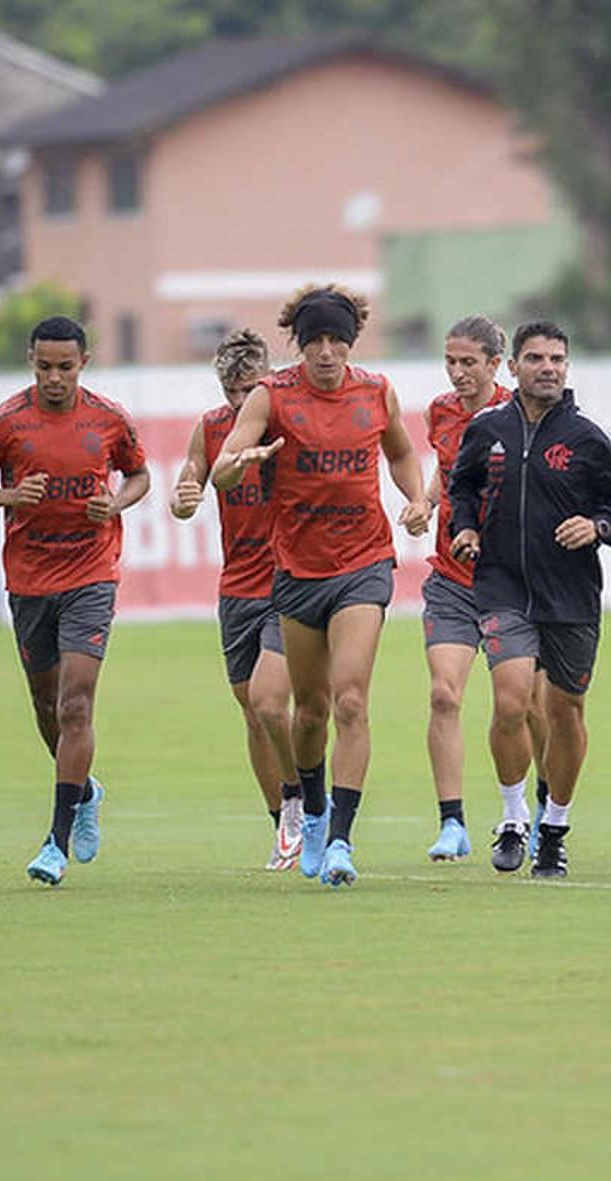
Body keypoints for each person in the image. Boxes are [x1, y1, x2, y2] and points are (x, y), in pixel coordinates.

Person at [211, 284, 433, 889]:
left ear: (351, 342)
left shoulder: (375, 391)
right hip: (298, 573)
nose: (327, 353)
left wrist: (416, 499)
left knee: (351, 699)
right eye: (316, 342)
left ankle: (340, 839)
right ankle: (311, 811)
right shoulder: (271, 396)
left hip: (364, 564)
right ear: (300, 345)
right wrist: (244, 463)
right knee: (307, 713)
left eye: (337, 341)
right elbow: (222, 465)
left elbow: (403, 452)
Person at [0, 316, 151, 886]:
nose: (54, 377)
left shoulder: (109, 420)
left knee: (75, 705)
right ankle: (85, 793)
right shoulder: (7, 422)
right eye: (44, 367)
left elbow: (139, 477)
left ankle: (55, 843)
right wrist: (10, 495)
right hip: (30, 580)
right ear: (31, 361)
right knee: (46, 707)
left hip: (91, 574)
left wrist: (115, 506)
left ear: (83, 363)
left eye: (65, 367)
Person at [449, 321, 611, 879]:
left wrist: (599, 524)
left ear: (568, 366)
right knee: (512, 701)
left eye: (557, 359)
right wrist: (463, 530)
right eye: (535, 358)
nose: (548, 368)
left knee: (565, 714)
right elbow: (461, 488)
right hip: (501, 587)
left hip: (571, 594)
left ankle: (553, 829)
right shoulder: (486, 429)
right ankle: (513, 819)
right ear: (512, 367)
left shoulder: (592, 436)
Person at [168, 329, 302, 870]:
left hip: (288, 580)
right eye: (231, 393)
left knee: (272, 700)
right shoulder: (212, 429)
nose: (241, 402)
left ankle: (303, 800)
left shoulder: (292, 423)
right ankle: (283, 826)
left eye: (250, 389)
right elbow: (187, 493)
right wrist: (183, 497)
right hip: (237, 587)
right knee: (253, 710)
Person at [419, 315, 522, 863]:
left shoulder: (517, 413)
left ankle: (516, 813)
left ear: (494, 364)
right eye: (450, 362)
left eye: (468, 363)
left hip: (509, 582)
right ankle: (452, 824)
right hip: (450, 580)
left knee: (517, 708)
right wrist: (426, 501)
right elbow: (445, 468)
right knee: (443, 694)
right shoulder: (438, 411)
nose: (457, 373)